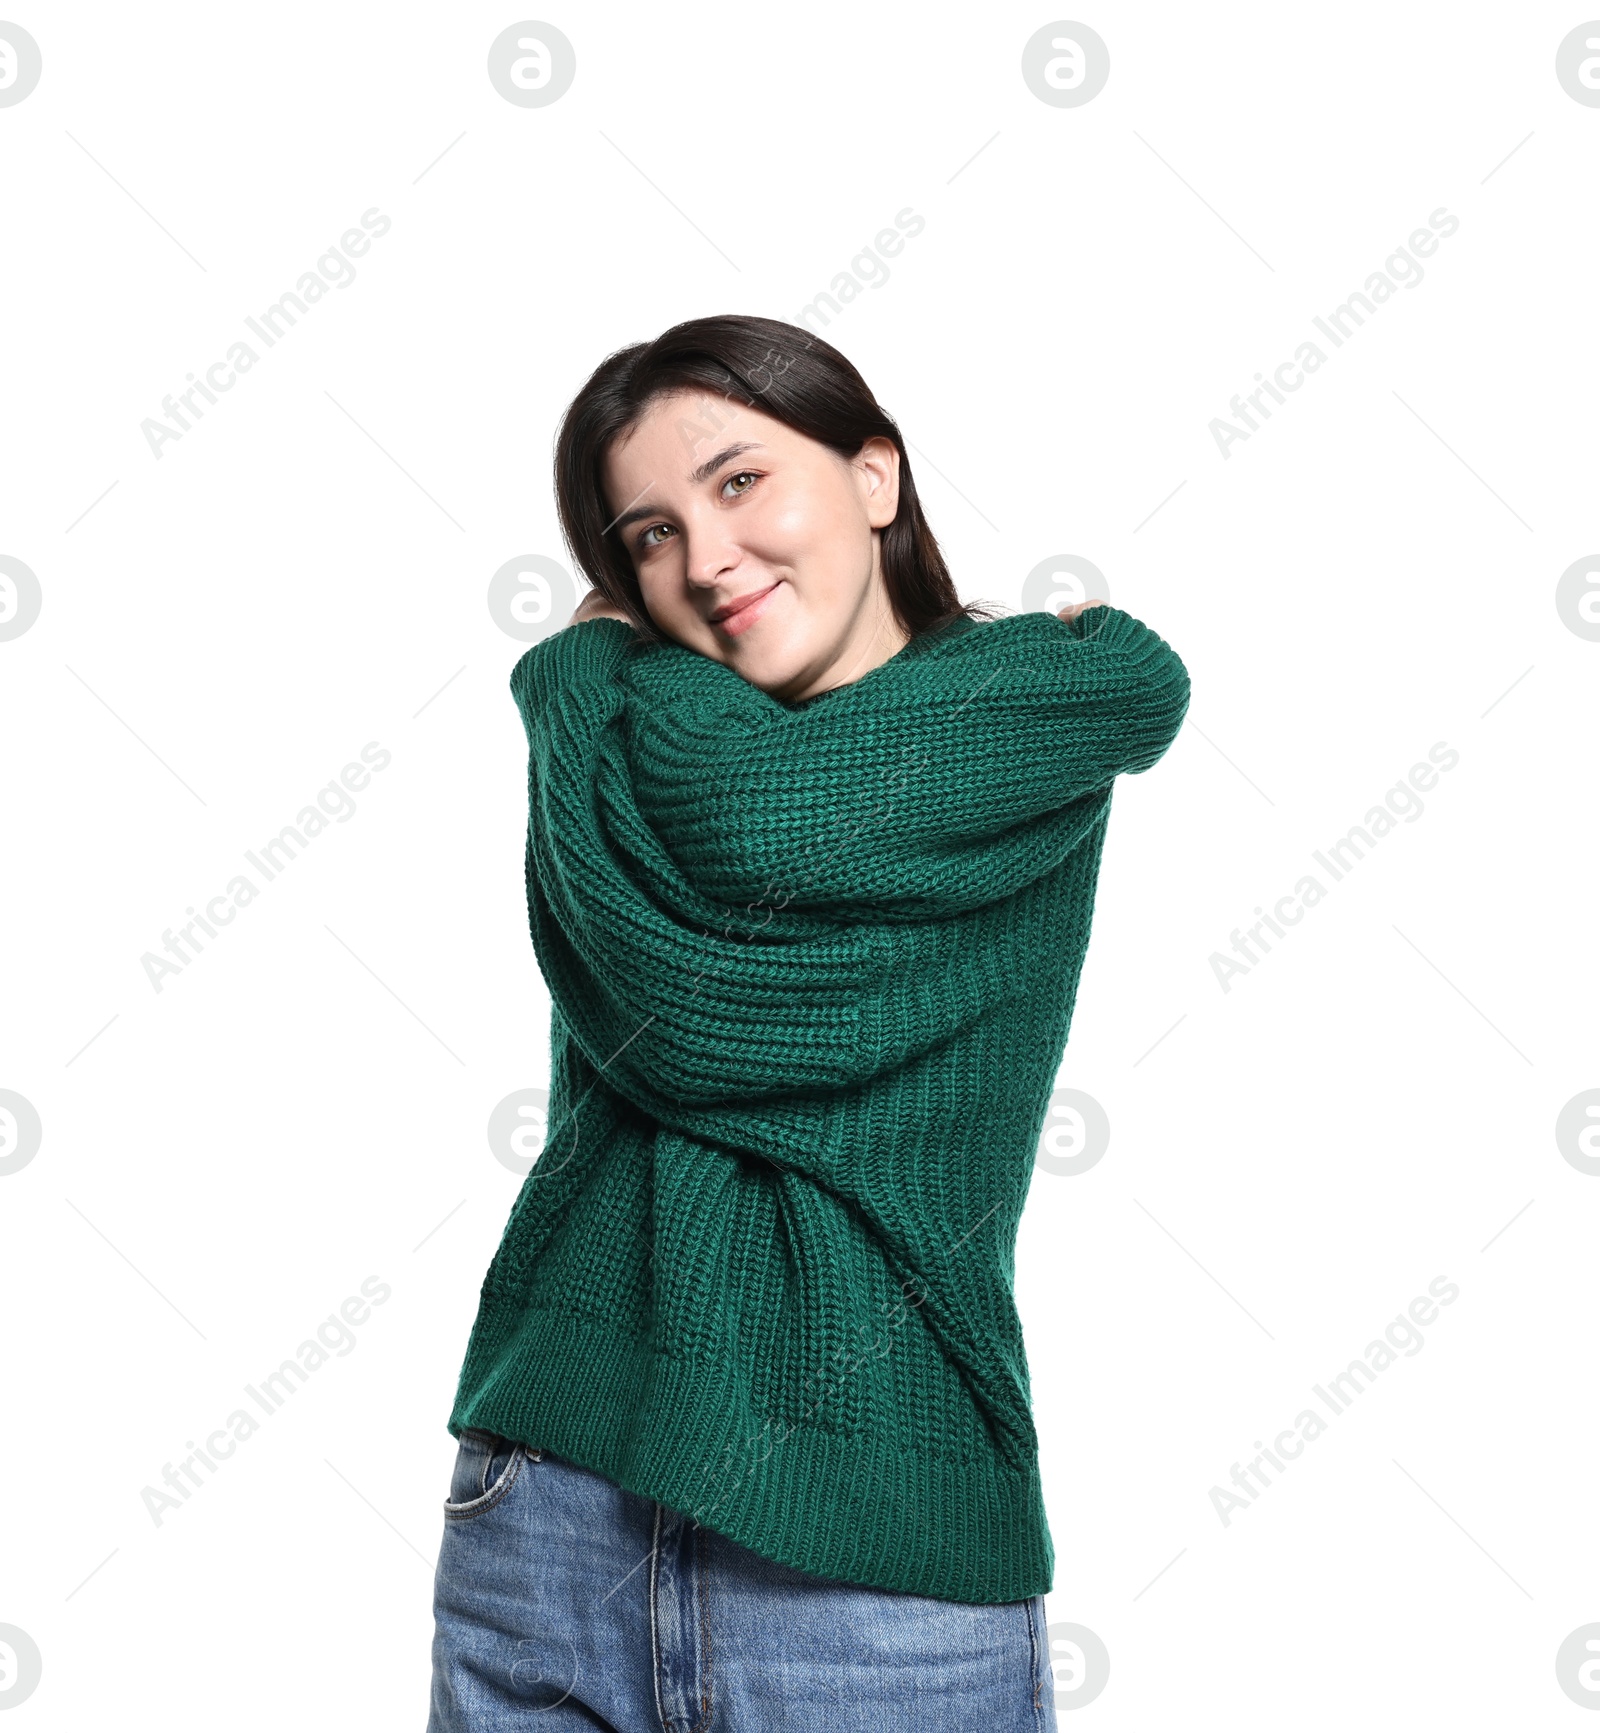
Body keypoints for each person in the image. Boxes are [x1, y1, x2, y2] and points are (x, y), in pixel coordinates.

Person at [426, 314, 1190, 1731]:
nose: (702, 561)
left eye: (736, 483)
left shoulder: (1016, 714)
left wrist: (577, 677)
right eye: (645, 533)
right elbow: (664, 990)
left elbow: (697, 984)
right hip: (549, 1495)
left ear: (877, 476)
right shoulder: (637, 748)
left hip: (874, 1552)